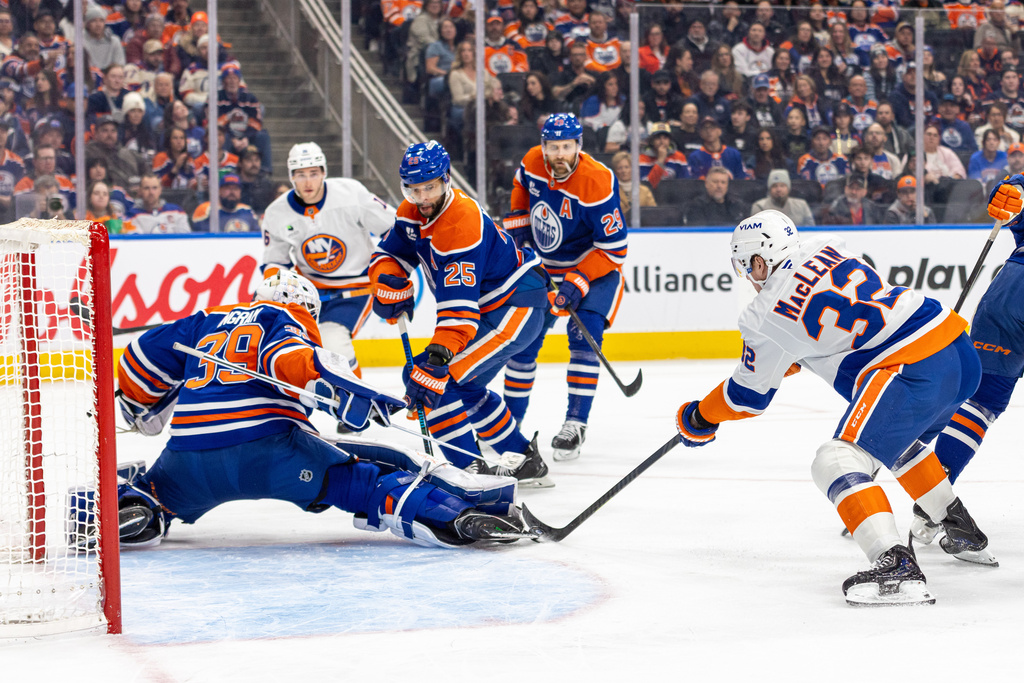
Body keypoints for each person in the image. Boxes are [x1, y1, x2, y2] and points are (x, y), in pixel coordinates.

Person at [674, 210, 992, 605]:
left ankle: (895, 566)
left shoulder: (761, 315)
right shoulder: (827, 246)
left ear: (759, 260)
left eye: (747, 266)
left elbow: (747, 397)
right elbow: (841, 314)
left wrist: (699, 416)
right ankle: (958, 525)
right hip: (958, 351)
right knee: (891, 442)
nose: (750, 279)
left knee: (836, 460)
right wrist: (797, 351)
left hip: (914, 368)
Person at [110, 269, 534, 549]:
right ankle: (456, 516)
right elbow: (291, 359)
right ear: (306, 308)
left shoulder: (204, 320)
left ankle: (137, 510)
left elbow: (138, 355)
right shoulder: (284, 319)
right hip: (272, 450)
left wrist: (140, 404)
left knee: (154, 489)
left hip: (188, 460)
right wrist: (357, 394)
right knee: (371, 480)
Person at [372, 140, 552, 484]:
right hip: (498, 307)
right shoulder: (410, 213)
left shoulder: (460, 225)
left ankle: (467, 471)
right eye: (414, 189)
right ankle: (525, 461)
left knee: (433, 381)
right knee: (461, 388)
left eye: (430, 187)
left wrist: (436, 362)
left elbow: (459, 315)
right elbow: (389, 255)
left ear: (446, 180)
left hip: (514, 308)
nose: (423, 198)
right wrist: (387, 281)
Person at [500, 113, 626, 462]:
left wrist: (580, 278)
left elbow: (615, 249)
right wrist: (519, 225)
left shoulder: (597, 180)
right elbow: (520, 188)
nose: (559, 154)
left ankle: (575, 423)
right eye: (552, 146)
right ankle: (509, 427)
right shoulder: (531, 162)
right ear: (543, 146)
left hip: (594, 268)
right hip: (544, 269)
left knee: (583, 338)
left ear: (578, 146)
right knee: (522, 343)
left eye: (566, 147)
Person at [262, 142, 395, 380]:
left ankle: (356, 401)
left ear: (324, 172)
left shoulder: (351, 194)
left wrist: (393, 266)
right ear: (292, 177)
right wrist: (274, 289)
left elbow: (393, 229)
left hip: (357, 286)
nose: (308, 182)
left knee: (333, 341)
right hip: (309, 290)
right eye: (301, 175)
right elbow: (275, 261)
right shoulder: (277, 212)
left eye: (313, 173)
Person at [123, 172, 191, 233]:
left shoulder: (177, 211)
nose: (151, 192)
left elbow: (186, 239)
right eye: (146, 188)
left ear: (160, 190)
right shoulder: (131, 215)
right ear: (140, 191)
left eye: (154, 188)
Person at [191, 173, 261, 232]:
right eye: (227, 188)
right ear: (219, 191)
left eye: (236, 188)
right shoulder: (206, 210)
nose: (232, 192)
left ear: (240, 192)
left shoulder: (247, 211)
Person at [683, 166, 748, 226]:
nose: (719, 186)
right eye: (715, 182)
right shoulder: (696, 206)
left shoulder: (736, 204)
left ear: (727, 185)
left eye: (723, 182)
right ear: (706, 184)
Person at [638, 122, 689, 189]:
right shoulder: (642, 159)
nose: (662, 141)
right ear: (651, 141)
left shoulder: (679, 157)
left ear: (670, 140)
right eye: (658, 138)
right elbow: (647, 187)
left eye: (665, 138)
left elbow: (686, 184)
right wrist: (660, 160)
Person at [822, 173, 886, 225]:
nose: (853, 192)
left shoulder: (872, 208)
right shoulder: (835, 208)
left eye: (858, 189)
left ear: (864, 192)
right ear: (845, 189)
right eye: (851, 188)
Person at [610, 149, 655, 214]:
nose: (623, 171)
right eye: (620, 168)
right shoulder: (611, 192)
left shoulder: (645, 191)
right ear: (615, 171)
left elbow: (653, 214)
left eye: (626, 167)